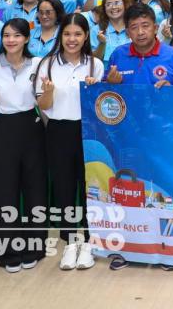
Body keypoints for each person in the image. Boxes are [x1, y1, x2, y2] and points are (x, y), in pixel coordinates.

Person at [36, 14, 103, 272]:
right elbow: (43, 105)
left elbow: (101, 106)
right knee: (63, 186)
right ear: (60, 36)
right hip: (58, 130)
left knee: (88, 186)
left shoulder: (95, 65)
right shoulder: (48, 64)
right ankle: (70, 242)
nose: (72, 39)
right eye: (67, 34)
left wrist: (95, 89)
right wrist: (48, 92)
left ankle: (88, 240)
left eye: (77, 34)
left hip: (88, 132)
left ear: (86, 36)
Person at [0, 19, 46, 272]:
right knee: (4, 190)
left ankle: (34, 247)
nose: (11, 40)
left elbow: (43, 101)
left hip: (32, 126)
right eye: (6, 35)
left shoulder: (38, 64)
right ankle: (7, 250)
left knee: (34, 188)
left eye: (17, 35)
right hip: (3, 127)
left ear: (27, 38)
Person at [105, 3, 173, 87]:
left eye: (145, 26)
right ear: (128, 33)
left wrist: (171, 90)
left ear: (155, 28)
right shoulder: (118, 54)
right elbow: (103, 91)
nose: (140, 32)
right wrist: (110, 84)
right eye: (134, 27)